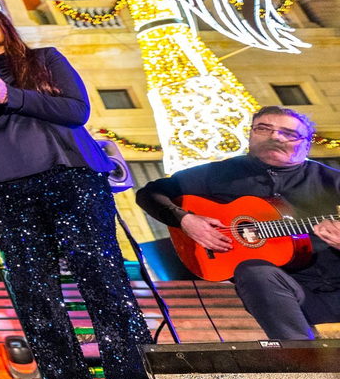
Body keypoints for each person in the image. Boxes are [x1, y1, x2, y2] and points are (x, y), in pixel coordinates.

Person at [0, 3, 170, 379]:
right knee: (36, 299)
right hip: (9, 191)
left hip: (71, 179)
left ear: (3, 26)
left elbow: (76, 110)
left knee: (106, 292)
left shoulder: (44, 59)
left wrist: (13, 96)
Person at [136, 106, 340, 340]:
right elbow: (150, 193)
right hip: (280, 294)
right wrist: (186, 220)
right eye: (264, 128)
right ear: (251, 135)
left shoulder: (329, 179)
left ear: (305, 144)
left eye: (288, 133)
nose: (275, 136)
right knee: (252, 271)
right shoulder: (218, 174)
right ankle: (300, 357)